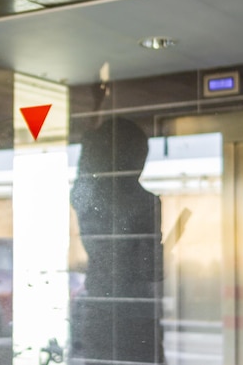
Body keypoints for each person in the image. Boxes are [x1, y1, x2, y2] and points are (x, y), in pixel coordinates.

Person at [69, 117, 165, 364]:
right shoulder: (146, 203)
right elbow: (152, 269)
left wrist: (92, 138)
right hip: (135, 314)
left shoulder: (85, 196)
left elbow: (83, 173)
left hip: (97, 311)